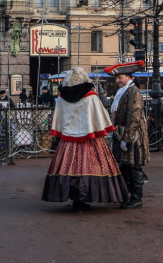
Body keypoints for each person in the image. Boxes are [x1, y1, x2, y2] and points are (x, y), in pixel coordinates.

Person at [42, 67, 128, 212]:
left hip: (68, 139)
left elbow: (59, 118)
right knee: (93, 166)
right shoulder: (91, 96)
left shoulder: (62, 97)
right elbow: (100, 116)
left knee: (68, 167)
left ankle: (76, 200)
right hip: (90, 138)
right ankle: (88, 197)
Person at [104, 61, 149, 210]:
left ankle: (136, 199)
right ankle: (126, 196)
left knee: (134, 167)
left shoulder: (133, 92)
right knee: (124, 167)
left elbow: (134, 117)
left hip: (133, 137)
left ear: (130, 77)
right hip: (123, 134)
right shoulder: (123, 91)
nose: (117, 80)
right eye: (116, 78)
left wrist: (127, 138)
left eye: (120, 77)